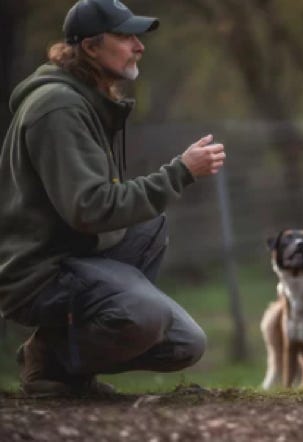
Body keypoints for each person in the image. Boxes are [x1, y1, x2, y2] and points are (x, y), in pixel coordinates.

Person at [0, 0, 226, 396]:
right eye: (125, 36)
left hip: (71, 255)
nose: (138, 46)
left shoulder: (84, 100)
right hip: (38, 272)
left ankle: (56, 361)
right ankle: (51, 365)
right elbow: (90, 208)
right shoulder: (58, 107)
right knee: (144, 317)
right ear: (90, 47)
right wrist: (180, 172)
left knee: (184, 342)